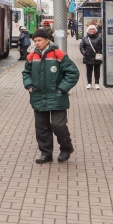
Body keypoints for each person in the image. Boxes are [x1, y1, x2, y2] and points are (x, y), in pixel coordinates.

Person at [22, 28, 80, 164]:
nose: (36, 43)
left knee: (58, 125)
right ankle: (45, 153)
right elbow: (26, 73)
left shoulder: (58, 54)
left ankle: (66, 148)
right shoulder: (31, 56)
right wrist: (29, 85)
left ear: (47, 40)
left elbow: (73, 73)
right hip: (38, 97)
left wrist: (61, 89)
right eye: (35, 40)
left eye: (39, 40)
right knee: (41, 127)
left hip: (57, 97)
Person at [79, 24, 103, 90]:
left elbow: (103, 46)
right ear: (88, 30)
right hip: (88, 57)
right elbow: (81, 47)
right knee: (89, 71)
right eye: (90, 29)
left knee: (97, 70)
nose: (92, 30)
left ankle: (97, 83)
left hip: (97, 57)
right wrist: (84, 53)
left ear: (95, 30)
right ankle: (89, 83)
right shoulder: (84, 38)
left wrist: (101, 51)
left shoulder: (100, 38)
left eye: (93, 29)